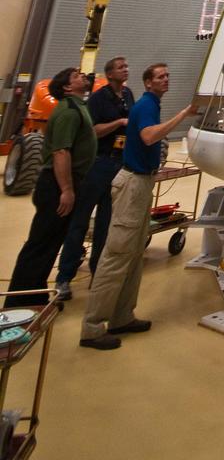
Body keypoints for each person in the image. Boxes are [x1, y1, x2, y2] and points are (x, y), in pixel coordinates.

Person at [79, 63, 197, 351]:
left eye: (168, 75)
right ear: (148, 83)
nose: (166, 80)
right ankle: (92, 328)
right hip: (132, 185)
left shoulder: (149, 104)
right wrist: (183, 115)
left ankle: (122, 316)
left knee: (133, 254)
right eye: (160, 77)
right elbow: (147, 137)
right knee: (117, 254)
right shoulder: (145, 105)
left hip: (143, 184)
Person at [5, 68, 96, 308]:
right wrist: (66, 189)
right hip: (56, 184)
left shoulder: (78, 107)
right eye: (76, 76)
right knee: (41, 243)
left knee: (51, 243)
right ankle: (17, 303)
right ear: (67, 87)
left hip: (65, 181)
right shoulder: (68, 111)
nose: (83, 76)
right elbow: (61, 151)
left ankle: (36, 297)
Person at [54, 56, 134, 300]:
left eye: (126, 66)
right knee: (79, 222)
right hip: (98, 164)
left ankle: (98, 272)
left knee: (105, 224)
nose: (126, 70)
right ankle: (63, 278)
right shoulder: (98, 100)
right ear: (110, 74)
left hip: (119, 164)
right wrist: (119, 122)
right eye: (121, 67)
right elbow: (93, 131)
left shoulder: (128, 95)